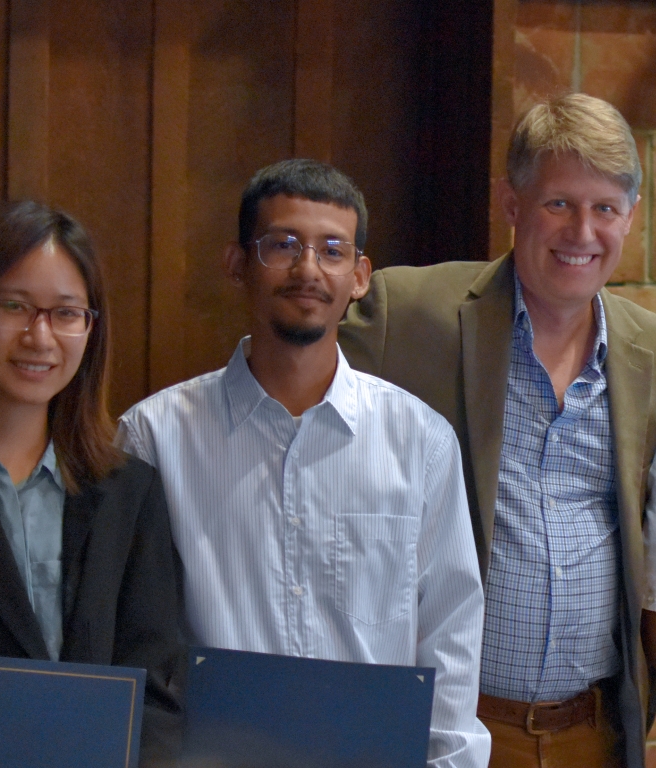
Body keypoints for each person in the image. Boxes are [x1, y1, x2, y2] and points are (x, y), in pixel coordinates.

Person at [118, 159, 491, 768]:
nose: (308, 269)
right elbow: (134, 647)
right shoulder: (155, 437)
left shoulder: (421, 441)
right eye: (282, 245)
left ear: (360, 276)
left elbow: (448, 637)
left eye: (332, 250)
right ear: (238, 263)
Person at [339, 93, 656, 768]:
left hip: (592, 735)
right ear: (510, 205)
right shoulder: (409, 315)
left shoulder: (648, 353)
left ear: (631, 216)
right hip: (449, 730)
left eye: (605, 208)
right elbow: (294, 400)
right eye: (558, 203)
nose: (582, 232)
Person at [0, 200, 183, 768]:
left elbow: (157, 697)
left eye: (67, 313)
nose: (40, 336)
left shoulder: (131, 492)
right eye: (14, 306)